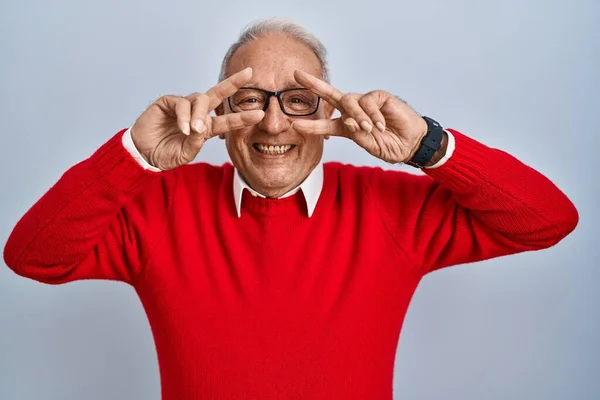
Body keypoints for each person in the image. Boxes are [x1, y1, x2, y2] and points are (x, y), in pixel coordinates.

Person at [3, 18, 578, 400]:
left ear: (333, 115)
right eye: (250, 100)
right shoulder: (158, 206)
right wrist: (133, 157)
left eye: (299, 102)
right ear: (216, 112)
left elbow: (549, 219)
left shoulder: (386, 208)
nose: (274, 124)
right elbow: (32, 257)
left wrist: (429, 146)